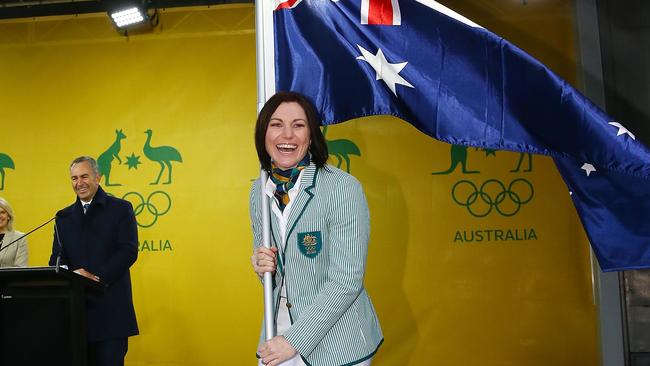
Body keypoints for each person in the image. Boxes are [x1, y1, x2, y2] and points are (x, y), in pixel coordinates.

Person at [250, 92, 383, 366]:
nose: (287, 135)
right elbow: (277, 278)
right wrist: (263, 267)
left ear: (311, 135)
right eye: (276, 125)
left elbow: (346, 280)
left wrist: (294, 340)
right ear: (263, 133)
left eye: (298, 125)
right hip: (278, 330)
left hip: (338, 340)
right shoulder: (257, 191)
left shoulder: (342, 188)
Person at [49, 156, 139, 366]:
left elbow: (128, 251)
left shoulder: (120, 208)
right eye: (73, 178)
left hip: (110, 311)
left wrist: (96, 277)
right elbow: (57, 258)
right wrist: (61, 272)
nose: (78, 183)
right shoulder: (63, 217)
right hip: (75, 313)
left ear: (98, 177)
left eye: (84, 176)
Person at [0, 197, 28, 267]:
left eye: (2, 212)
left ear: (8, 216)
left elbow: (21, 269)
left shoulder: (19, 238)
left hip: (8, 278)